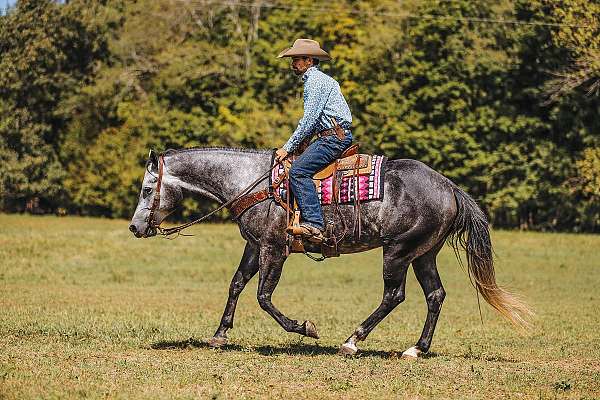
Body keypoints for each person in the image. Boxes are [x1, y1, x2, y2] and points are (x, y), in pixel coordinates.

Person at [275, 38, 353, 243]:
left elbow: (310, 119)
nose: (293, 64)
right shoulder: (319, 79)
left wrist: (288, 147)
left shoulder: (315, 81)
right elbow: (316, 119)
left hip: (332, 138)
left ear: (309, 60)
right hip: (331, 135)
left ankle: (314, 223)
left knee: (298, 171)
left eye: (297, 59)